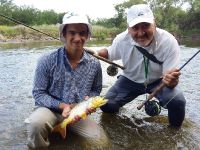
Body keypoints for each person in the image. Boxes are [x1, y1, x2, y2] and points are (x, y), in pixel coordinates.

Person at [25, 13, 108, 149]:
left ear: (87, 36)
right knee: (35, 126)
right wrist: (62, 106)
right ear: (63, 34)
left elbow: (96, 89)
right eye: (72, 33)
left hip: (77, 111)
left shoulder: (94, 64)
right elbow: (39, 93)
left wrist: (90, 102)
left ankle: (63, 130)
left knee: (100, 142)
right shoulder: (46, 60)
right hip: (49, 109)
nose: (77, 38)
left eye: (82, 33)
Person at [97, 4, 186, 127]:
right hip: (129, 80)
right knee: (106, 105)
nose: (140, 33)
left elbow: (170, 79)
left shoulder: (169, 41)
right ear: (128, 29)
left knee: (177, 101)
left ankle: (175, 133)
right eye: (135, 27)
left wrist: (172, 81)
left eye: (146, 25)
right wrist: (93, 53)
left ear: (154, 24)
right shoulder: (121, 39)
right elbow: (109, 52)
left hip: (158, 81)